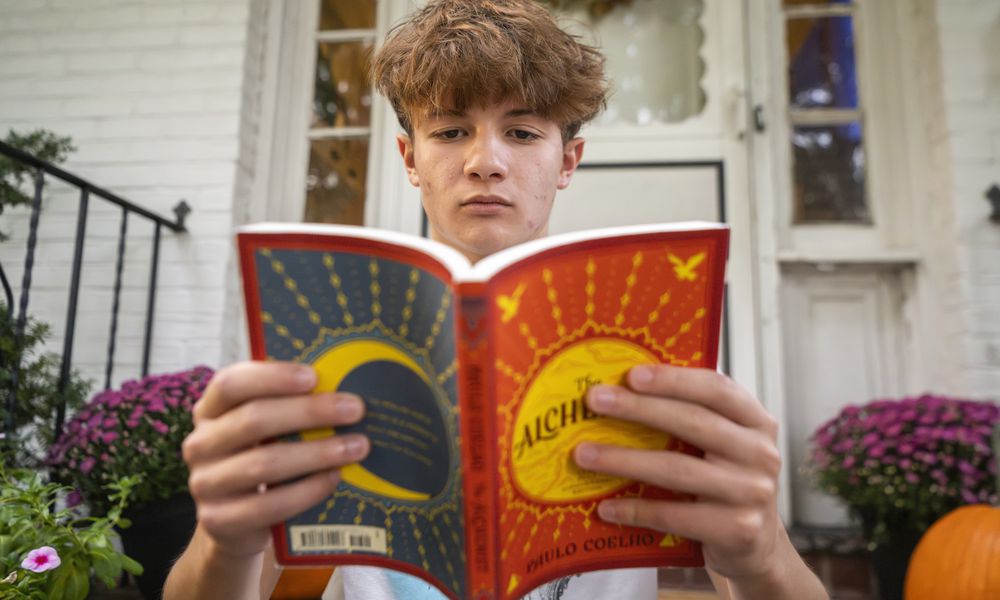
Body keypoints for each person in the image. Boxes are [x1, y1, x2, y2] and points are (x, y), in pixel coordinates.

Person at [164, 1, 830, 598]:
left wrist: (762, 557)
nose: (485, 161)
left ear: (568, 161)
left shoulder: (658, 358)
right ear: (408, 158)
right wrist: (224, 542)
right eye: (451, 132)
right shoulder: (325, 355)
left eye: (522, 132)